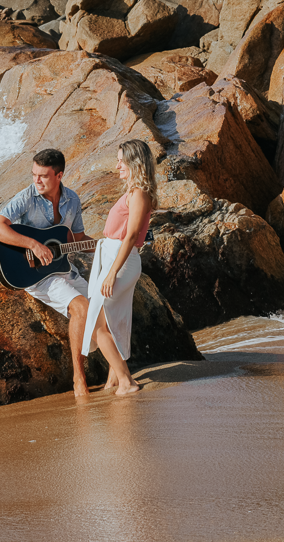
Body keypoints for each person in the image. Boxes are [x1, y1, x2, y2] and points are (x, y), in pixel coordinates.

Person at [0, 149, 95, 397]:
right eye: (34, 174)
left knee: (102, 308)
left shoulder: (73, 200)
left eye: (43, 176)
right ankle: (79, 379)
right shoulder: (26, 197)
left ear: (59, 175)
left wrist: (113, 245)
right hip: (35, 274)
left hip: (62, 269)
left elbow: (78, 239)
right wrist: (33, 244)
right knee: (82, 308)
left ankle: (116, 373)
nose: (36, 181)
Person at [81, 139, 158, 396]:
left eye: (121, 161)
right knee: (112, 323)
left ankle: (126, 381)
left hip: (121, 262)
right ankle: (113, 380)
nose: (117, 166)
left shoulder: (139, 193)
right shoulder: (134, 192)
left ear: (134, 162)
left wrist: (112, 272)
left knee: (98, 326)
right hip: (117, 258)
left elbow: (132, 234)